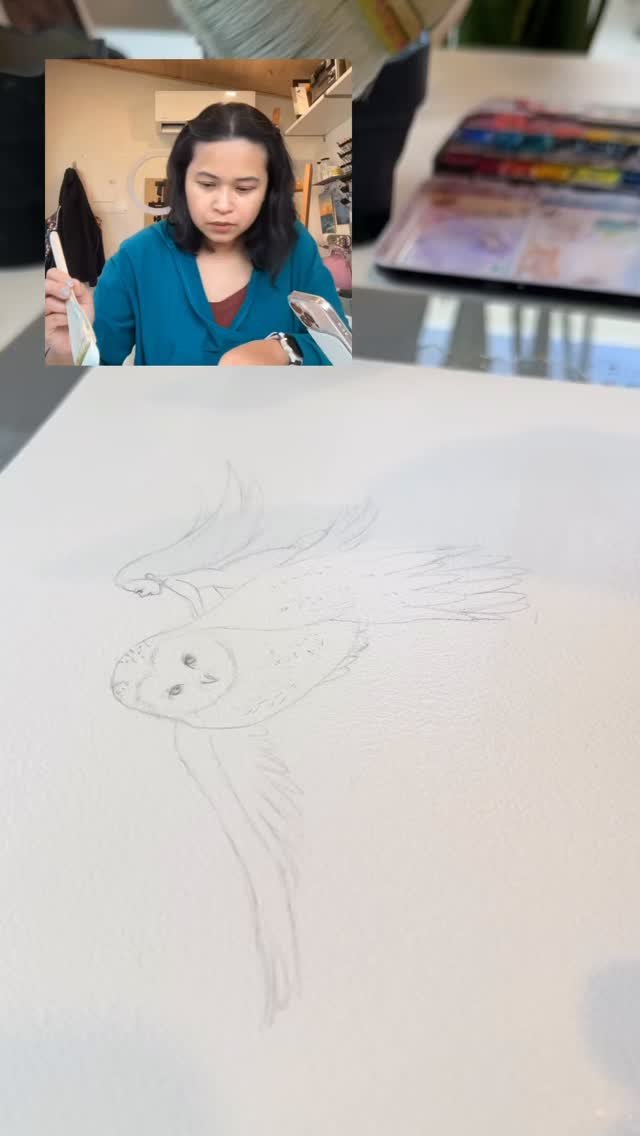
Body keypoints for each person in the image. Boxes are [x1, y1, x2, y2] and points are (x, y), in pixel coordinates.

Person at [45, 102, 347, 366]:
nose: (223, 205)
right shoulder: (137, 259)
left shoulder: (296, 247)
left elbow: (339, 349)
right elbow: (94, 370)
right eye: (206, 184)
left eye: (244, 188)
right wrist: (67, 353)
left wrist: (284, 350)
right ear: (182, 181)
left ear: (270, 190)